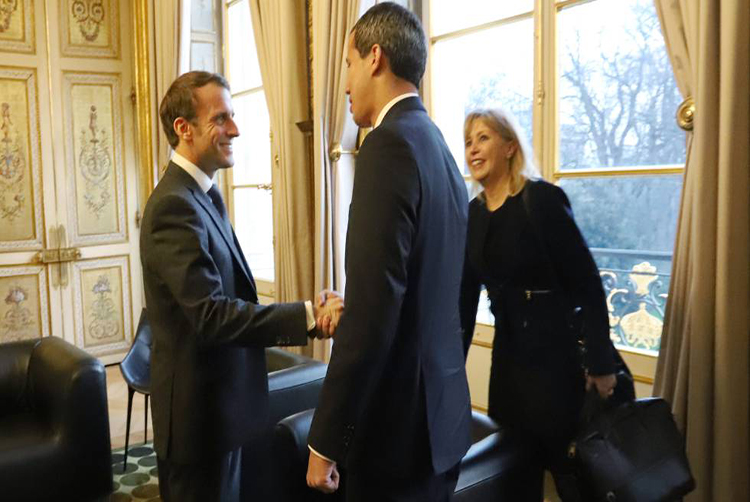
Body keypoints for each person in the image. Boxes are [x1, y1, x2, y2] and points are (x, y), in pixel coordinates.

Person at [140, 70, 342, 502]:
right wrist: (309, 315)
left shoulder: (205, 195)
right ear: (183, 129)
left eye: (232, 116)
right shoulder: (174, 206)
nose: (235, 128)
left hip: (223, 413)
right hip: (199, 424)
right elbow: (211, 315)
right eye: (221, 118)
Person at [305, 4, 472, 501]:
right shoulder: (438, 147)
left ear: (375, 57)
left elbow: (375, 315)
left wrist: (325, 440)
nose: (347, 83)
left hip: (397, 432)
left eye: (348, 65)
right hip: (441, 420)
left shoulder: (387, 147)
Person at [459, 107, 618, 500]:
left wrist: (600, 362)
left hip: (556, 365)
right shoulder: (473, 215)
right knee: (512, 472)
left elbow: (588, 284)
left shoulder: (541, 200)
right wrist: (450, 370)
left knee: (571, 474)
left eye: (483, 138)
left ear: (510, 146)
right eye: (468, 141)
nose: (473, 149)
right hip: (509, 367)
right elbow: (463, 302)